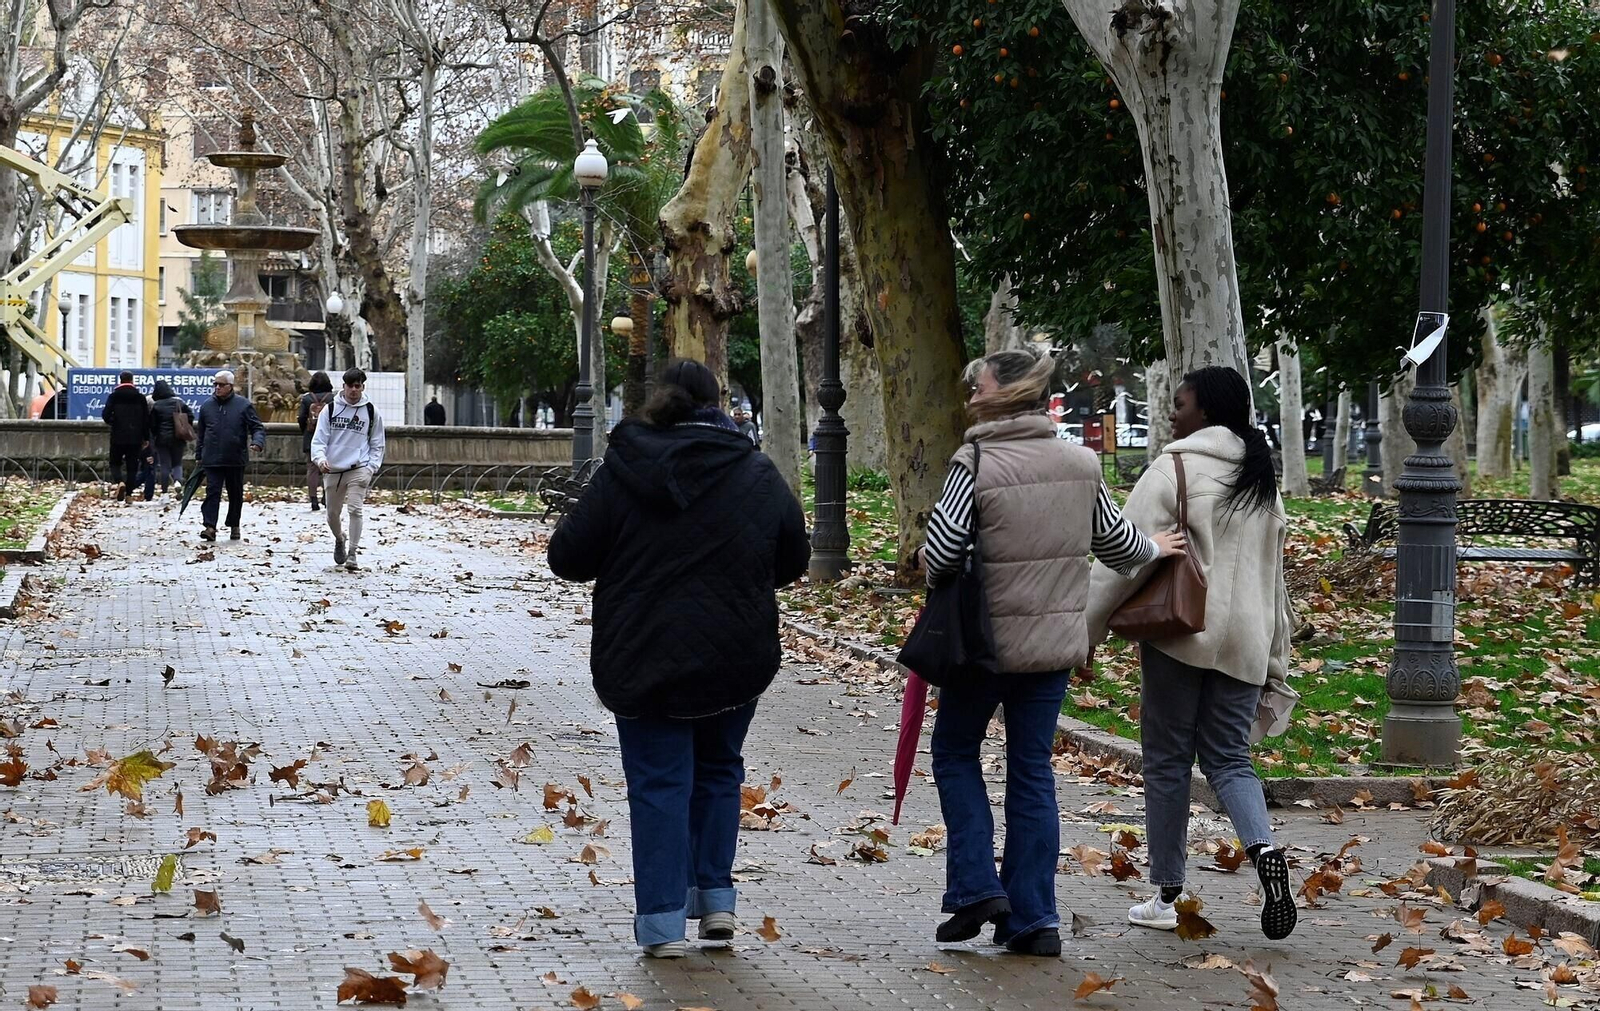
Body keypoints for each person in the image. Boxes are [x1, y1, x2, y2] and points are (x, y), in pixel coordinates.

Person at [918, 348, 1184, 958]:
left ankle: (977, 887)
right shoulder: (1080, 462)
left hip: (981, 648)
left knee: (956, 753)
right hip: (1052, 651)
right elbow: (1117, 546)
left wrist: (944, 584)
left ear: (1005, 393)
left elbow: (941, 555)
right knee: (1032, 771)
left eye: (976, 385)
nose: (969, 393)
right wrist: (1157, 547)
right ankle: (1035, 919)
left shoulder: (974, 462)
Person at [547, 359, 811, 959]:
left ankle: (663, 923)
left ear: (657, 402)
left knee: (660, 783)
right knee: (720, 771)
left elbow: (568, 557)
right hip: (735, 654)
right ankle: (716, 900)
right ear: (718, 404)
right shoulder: (757, 472)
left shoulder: (622, 471)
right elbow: (793, 561)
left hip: (643, 652)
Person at [1085, 365, 1298, 941]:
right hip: (1248, 642)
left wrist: (1086, 630)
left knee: (1167, 760)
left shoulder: (1173, 466)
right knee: (1229, 759)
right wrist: (1277, 660)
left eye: (1179, 403)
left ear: (1204, 411)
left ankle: (1167, 891)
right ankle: (1265, 852)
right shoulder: (1261, 477)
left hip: (1182, 634)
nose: (1172, 413)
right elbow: (1272, 579)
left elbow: (1117, 559)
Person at [311, 367, 386, 572]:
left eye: (358, 386)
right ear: (343, 386)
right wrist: (320, 459)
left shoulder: (371, 411)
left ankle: (353, 553)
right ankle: (340, 538)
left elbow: (378, 443)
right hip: (333, 469)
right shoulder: (331, 409)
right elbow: (319, 439)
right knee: (332, 514)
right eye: (350, 386)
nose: (354, 390)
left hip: (359, 468)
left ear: (362, 387)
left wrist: (371, 467)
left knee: (355, 509)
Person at [195, 369, 266, 542]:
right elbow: (201, 433)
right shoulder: (207, 406)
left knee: (235, 493)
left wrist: (257, 442)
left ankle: (234, 524)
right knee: (212, 492)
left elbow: (257, 427)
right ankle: (210, 526)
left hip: (235, 458)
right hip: (212, 458)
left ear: (230, 386)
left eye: (221, 385)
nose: (217, 388)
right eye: (215, 384)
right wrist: (199, 455)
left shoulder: (243, 405)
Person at [101, 371, 150, 504]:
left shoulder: (114, 396)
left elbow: (105, 415)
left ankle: (119, 481)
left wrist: (114, 421)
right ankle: (129, 494)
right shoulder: (140, 397)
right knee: (132, 466)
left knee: (114, 463)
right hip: (135, 437)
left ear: (120, 380)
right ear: (132, 381)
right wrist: (146, 438)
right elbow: (146, 419)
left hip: (118, 436)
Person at [148, 381, 194, 498]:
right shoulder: (179, 402)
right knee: (177, 463)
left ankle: (164, 494)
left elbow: (152, 425)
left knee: (164, 465)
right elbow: (190, 416)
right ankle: (178, 481)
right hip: (178, 438)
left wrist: (154, 436)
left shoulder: (156, 406)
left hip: (162, 440)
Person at [298, 372, 336, 511]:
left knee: (312, 468)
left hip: (311, 436)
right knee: (328, 468)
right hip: (329, 438)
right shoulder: (333, 398)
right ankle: (326, 496)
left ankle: (313, 499)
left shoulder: (307, 399)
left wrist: (306, 431)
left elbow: (301, 417)